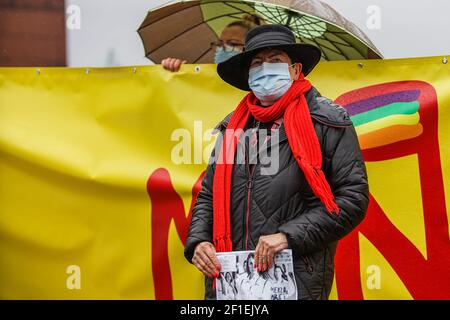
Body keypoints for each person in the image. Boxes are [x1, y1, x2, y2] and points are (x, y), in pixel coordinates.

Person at [184, 24, 369, 300]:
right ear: (248, 76)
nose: (265, 69)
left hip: (296, 282)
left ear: (295, 70)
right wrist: (198, 241)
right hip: (229, 284)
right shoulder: (231, 129)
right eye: (257, 63)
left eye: (275, 61)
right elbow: (208, 194)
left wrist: (287, 237)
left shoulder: (327, 121)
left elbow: (353, 199)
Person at [161, 14, 263, 72]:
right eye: (220, 44)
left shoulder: (264, 86)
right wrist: (179, 71)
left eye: (232, 44)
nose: (223, 49)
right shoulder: (209, 78)